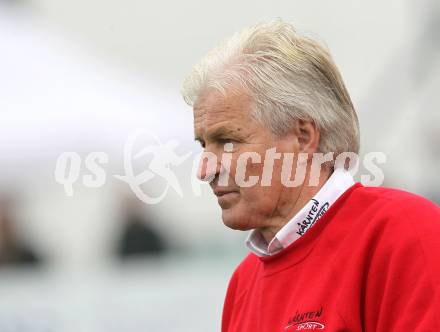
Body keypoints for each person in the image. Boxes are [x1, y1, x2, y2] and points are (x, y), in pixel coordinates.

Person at [181, 20, 440, 331]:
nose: (205, 169)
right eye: (204, 145)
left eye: (228, 142)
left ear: (303, 137)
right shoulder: (243, 284)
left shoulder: (404, 233)